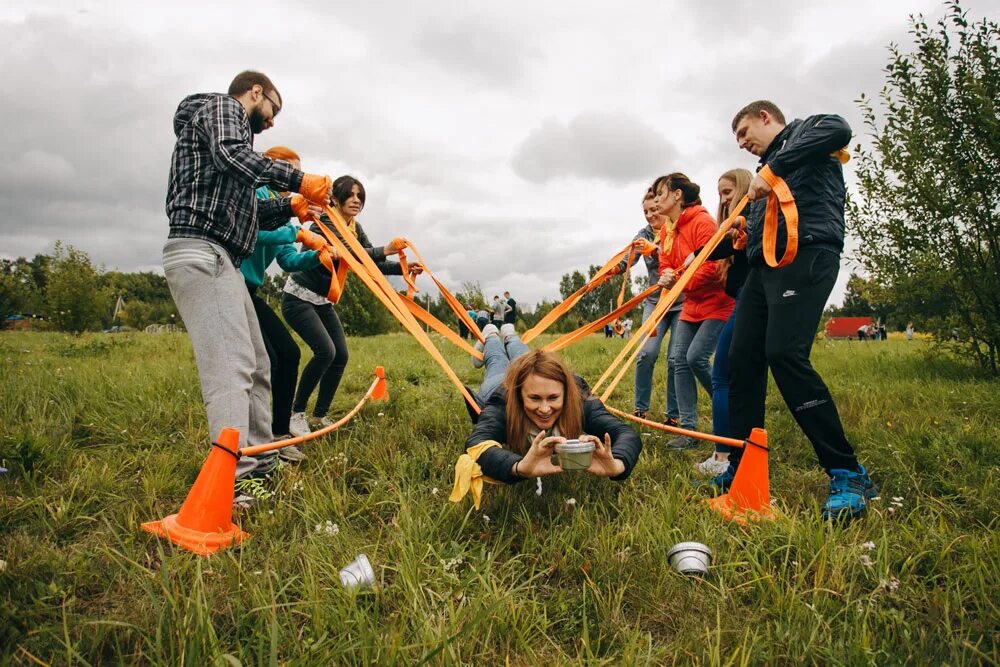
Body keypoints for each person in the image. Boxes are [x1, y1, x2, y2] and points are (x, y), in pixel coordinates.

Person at [162, 70, 332, 492]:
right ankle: (232, 482)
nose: (272, 121)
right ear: (256, 92)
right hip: (202, 251)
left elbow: (249, 217)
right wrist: (297, 180)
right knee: (230, 368)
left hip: (225, 259)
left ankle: (260, 461)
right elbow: (230, 154)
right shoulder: (223, 109)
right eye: (273, 109)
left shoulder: (228, 153)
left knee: (259, 363)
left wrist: (290, 207)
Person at [727, 100, 875, 520]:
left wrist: (770, 173)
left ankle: (847, 471)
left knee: (785, 354)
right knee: (741, 361)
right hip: (763, 266)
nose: (742, 144)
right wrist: (745, 232)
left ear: (765, 118)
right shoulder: (764, 171)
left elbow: (839, 130)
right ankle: (742, 467)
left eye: (743, 133)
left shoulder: (812, 129)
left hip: (806, 252)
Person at [281, 175, 420, 436]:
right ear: (335, 197)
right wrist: (384, 249)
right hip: (298, 297)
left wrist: (402, 268)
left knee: (340, 355)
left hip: (322, 301)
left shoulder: (353, 226)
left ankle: (320, 415)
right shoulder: (323, 221)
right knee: (325, 352)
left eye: (360, 196)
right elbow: (349, 253)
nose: (356, 200)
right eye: (350, 195)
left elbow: (368, 262)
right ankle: (295, 413)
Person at [455, 323, 642, 500]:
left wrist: (617, 465)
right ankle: (492, 335)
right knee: (497, 361)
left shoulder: (579, 400)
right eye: (534, 399)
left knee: (524, 355)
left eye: (553, 398)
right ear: (519, 396)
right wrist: (518, 467)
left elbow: (627, 434)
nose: (544, 409)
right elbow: (476, 443)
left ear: (566, 393)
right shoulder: (502, 402)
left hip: (532, 377)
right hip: (498, 384)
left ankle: (510, 335)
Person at [241, 145, 326, 463]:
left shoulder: (284, 209)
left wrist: (317, 254)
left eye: (297, 171)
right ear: (270, 166)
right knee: (267, 362)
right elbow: (254, 233)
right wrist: (295, 231)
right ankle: (258, 439)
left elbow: (288, 260)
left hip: (252, 290)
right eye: (289, 170)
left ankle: (278, 433)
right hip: (233, 283)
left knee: (289, 354)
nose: (294, 177)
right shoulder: (257, 194)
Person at [655, 173, 735, 450]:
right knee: (678, 360)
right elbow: (665, 260)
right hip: (691, 302)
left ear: (677, 195)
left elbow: (713, 265)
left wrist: (679, 281)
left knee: (696, 358)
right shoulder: (667, 229)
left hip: (717, 301)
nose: (656, 200)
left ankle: (729, 412)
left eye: (660, 193)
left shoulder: (702, 221)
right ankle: (689, 431)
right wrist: (666, 274)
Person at [687, 168, 753, 481]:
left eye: (728, 192)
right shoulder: (732, 231)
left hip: (747, 302)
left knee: (721, 376)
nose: (724, 200)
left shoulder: (752, 217)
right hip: (743, 300)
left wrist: (698, 255)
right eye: (721, 195)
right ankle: (735, 451)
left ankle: (725, 454)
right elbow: (723, 247)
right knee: (729, 378)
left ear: (743, 189)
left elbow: (722, 248)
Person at [613, 186, 684, 425]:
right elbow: (628, 259)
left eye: (654, 209)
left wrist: (655, 249)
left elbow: (686, 258)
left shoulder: (678, 228)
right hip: (655, 302)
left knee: (676, 358)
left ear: (665, 205)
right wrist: (612, 269)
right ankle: (640, 408)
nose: (650, 215)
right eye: (645, 211)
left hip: (683, 302)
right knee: (646, 353)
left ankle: (673, 415)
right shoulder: (642, 233)